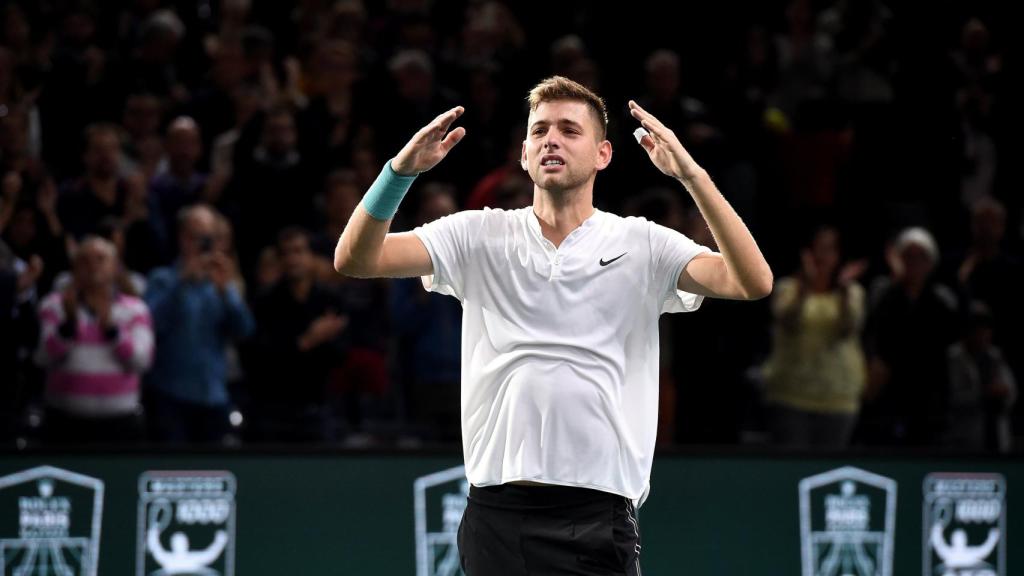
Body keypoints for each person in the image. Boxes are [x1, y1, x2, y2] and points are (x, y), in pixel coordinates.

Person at [334, 76, 772, 575]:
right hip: (498, 515)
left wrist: (692, 176)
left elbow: (751, 281)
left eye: (569, 130)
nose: (551, 140)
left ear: (603, 154)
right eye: (539, 131)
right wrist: (398, 173)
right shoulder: (477, 233)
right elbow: (355, 259)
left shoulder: (644, 244)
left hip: (600, 513)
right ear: (524, 154)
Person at [36, 236, 153, 444]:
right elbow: (42, 357)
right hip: (64, 423)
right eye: (84, 260)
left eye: (100, 259)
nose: (92, 266)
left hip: (120, 423)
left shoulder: (136, 309)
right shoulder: (53, 305)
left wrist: (112, 331)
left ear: (115, 267)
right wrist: (68, 326)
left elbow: (142, 361)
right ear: (74, 268)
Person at [762, 225, 868, 448]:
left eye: (829, 249)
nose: (822, 256)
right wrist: (805, 288)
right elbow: (788, 321)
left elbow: (848, 328)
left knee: (830, 465)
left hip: (839, 398)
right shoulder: (787, 288)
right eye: (818, 248)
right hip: (791, 396)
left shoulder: (852, 292)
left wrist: (844, 290)